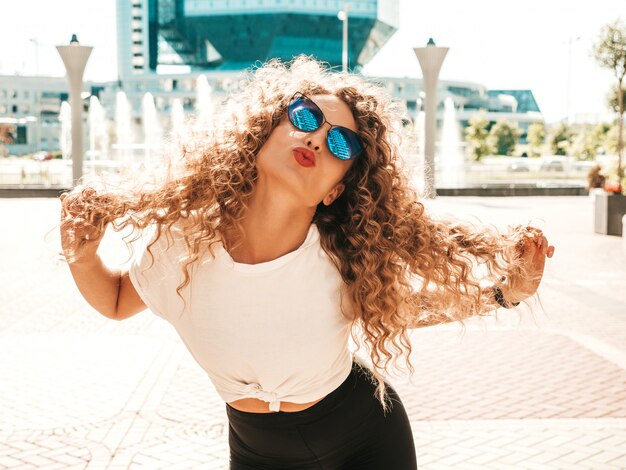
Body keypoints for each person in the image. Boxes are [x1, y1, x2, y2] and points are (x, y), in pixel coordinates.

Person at [59, 56, 555, 470]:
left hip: (365, 440)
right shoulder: (182, 243)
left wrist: (505, 293)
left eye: (342, 143)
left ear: (336, 189)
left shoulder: (341, 256)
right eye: (304, 117)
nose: (317, 138)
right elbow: (119, 300)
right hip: (257, 452)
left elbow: (414, 308)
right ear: (260, 135)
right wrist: (81, 254)